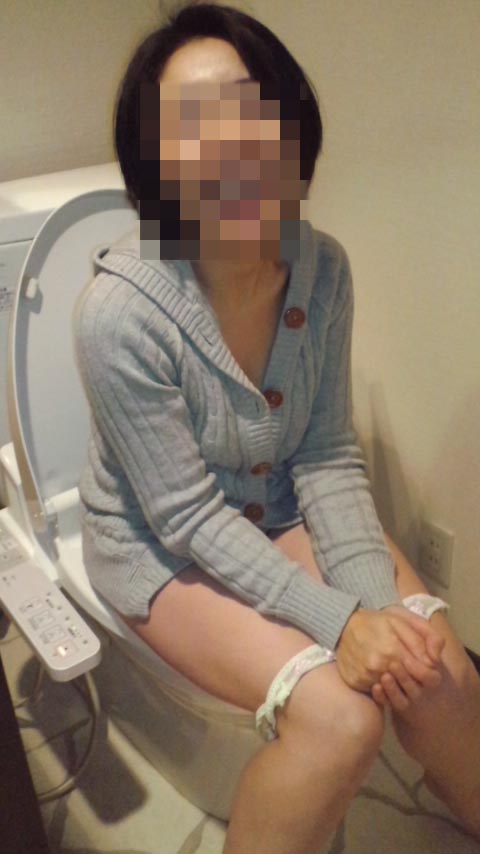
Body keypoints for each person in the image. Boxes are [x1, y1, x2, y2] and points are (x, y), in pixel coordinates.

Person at [73, 2, 480, 851]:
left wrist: (379, 615)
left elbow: (325, 454)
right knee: (340, 723)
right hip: (157, 542)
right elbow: (186, 516)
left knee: (436, 671)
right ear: (158, 169)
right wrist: (339, 624)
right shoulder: (118, 315)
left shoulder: (322, 268)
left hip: (276, 505)